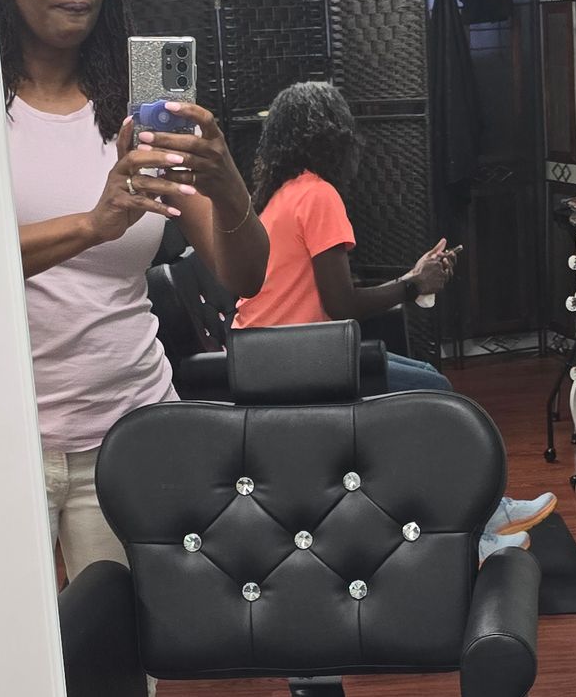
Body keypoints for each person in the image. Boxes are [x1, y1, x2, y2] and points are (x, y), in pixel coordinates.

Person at [0, 0, 268, 577]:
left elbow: (245, 272)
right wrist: (94, 223)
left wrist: (228, 180)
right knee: (8, 673)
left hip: (132, 427)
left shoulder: (136, 110)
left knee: (122, 673)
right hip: (3, 438)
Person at [233, 80, 555, 556]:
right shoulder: (317, 195)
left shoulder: (284, 194)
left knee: (427, 381)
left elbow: (328, 298)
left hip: (273, 358)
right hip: (296, 364)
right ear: (332, 135)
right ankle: (474, 532)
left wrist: (411, 279)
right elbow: (341, 305)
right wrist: (413, 285)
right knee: (434, 397)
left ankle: (487, 513)